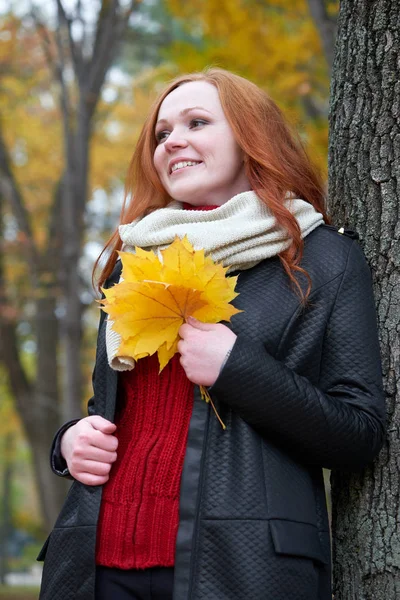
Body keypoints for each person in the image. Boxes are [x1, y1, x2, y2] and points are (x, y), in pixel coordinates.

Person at [38, 68, 385, 600]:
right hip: (96, 564)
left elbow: (358, 434)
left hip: (240, 569)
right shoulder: (133, 263)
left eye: (197, 122)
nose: (172, 140)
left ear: (252, 137)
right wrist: (69, 442)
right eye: (161, 134)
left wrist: (237, 368)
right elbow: (110, 408)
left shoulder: (322, 257)